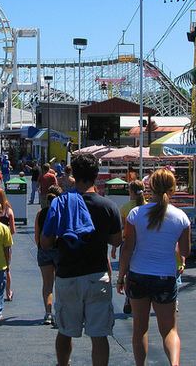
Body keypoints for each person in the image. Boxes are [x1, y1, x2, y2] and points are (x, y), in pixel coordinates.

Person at [41, 154, 123, 366]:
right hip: (97, 274)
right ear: (96, 176)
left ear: (73, 176)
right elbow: (116, 241)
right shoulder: (108, 206)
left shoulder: (60, 203)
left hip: (68, 275)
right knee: (99, 334)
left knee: (65, 331)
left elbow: (46, 242)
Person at [117, 168, 191, 366]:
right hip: (165, 277)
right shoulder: (181, 217)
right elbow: (185, 250)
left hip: (138, 275)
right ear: (173, 188)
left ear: (150, 188)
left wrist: (121, 276)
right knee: (169, 330)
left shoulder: (136, 214)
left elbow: (127, 248)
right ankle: (174, 364)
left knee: (140, 328)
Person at [112, 179, 147, 315]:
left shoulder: (125, 208)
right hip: (143, 243)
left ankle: (129, 296)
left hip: (127, 243)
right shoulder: (147, 206)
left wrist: (115, 247)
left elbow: (121, 230)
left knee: (127, 271)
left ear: (131, 192)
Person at [34, 185, 63, 326]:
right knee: (60, 283)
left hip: (44, 250)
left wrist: (41, 248)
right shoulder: (63, 212)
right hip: (59, 250)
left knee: (47, 284)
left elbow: (37, 236)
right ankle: (59, 313)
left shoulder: (41, 213)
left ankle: (48, 313)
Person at [0, 188, 16, 301]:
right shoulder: (8, 210)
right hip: (5, 243)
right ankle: (8, 292)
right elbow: (13, 230)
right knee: (7, 268)